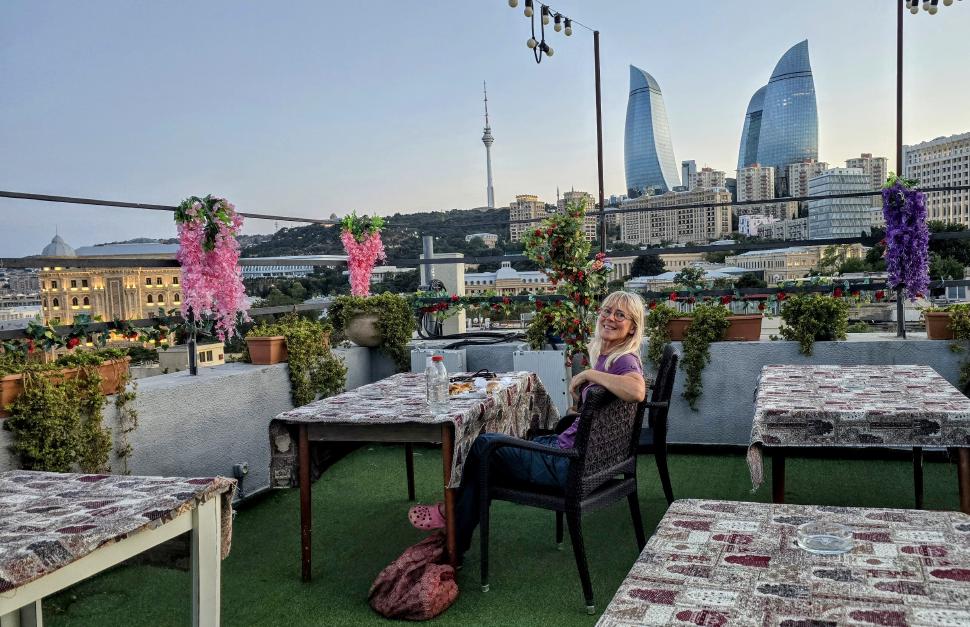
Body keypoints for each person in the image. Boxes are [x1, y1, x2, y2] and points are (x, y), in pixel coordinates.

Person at [407, 290, 647, 562]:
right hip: (571, 452)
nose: (610, 318)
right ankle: (454, 537)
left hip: (567, 464)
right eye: (607, 311)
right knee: (487, 461)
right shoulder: (610, 356)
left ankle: (451, 524)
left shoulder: (624, 360)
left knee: (483, 444)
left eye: (620, 315)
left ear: (632, 328)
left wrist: (589, 374)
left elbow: (637, 390)